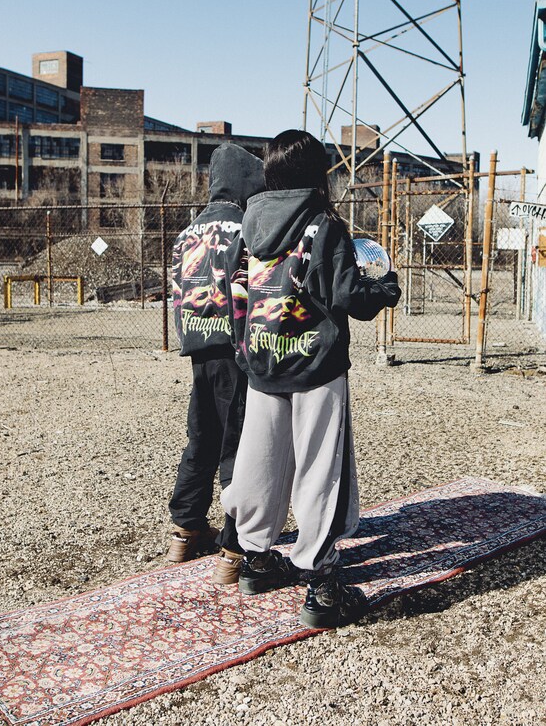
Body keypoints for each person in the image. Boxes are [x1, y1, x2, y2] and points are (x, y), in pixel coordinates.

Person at [221, 129, 401, 627]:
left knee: (260, 460)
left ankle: (256, 558)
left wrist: (245, 349)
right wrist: (385, 287)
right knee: (322, 468)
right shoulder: (322, 225)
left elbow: (235, 290)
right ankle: (322, 585)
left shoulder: (247, 225)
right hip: (316, 366)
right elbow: (349, 297)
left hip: (262, 361)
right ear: (316, 173)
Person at [168, 142, 264, 584]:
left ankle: (185, 530)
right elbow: (252, 289)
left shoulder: (188, 231)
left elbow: (177, 291)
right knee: (237, 445)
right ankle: (234, 546)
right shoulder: (246, 227)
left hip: (198, 347)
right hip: (233, 349)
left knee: (201, 437)